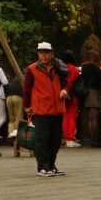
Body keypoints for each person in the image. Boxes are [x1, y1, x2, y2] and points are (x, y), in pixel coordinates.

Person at [23, 41, 72, 177]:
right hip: (41, 109)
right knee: (42, 139)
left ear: (52, 54)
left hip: (57, 109)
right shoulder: (32, 69)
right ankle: (42, 166)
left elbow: (67, 83)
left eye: (46, 53)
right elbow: (27, 89)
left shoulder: (59, 68)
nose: (43, 55)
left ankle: (51, 164)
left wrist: (65, 90)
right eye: (40, 53)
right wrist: (27, 106)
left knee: (55, 140)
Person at [77, 52, 101, 147]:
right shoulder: (93, 67)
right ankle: (95, 140)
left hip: (86, 93)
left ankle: (92, 139)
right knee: (95, 118)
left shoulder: (84, 67)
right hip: (94, 92)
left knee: (90, 118)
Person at [59, 51, 83, 147]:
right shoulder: (74, 69)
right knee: (72, 117)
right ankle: (71, 139)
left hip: (62, 94)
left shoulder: (60, 68)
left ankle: (65, 137)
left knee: (65, 116)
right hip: (73, 95)